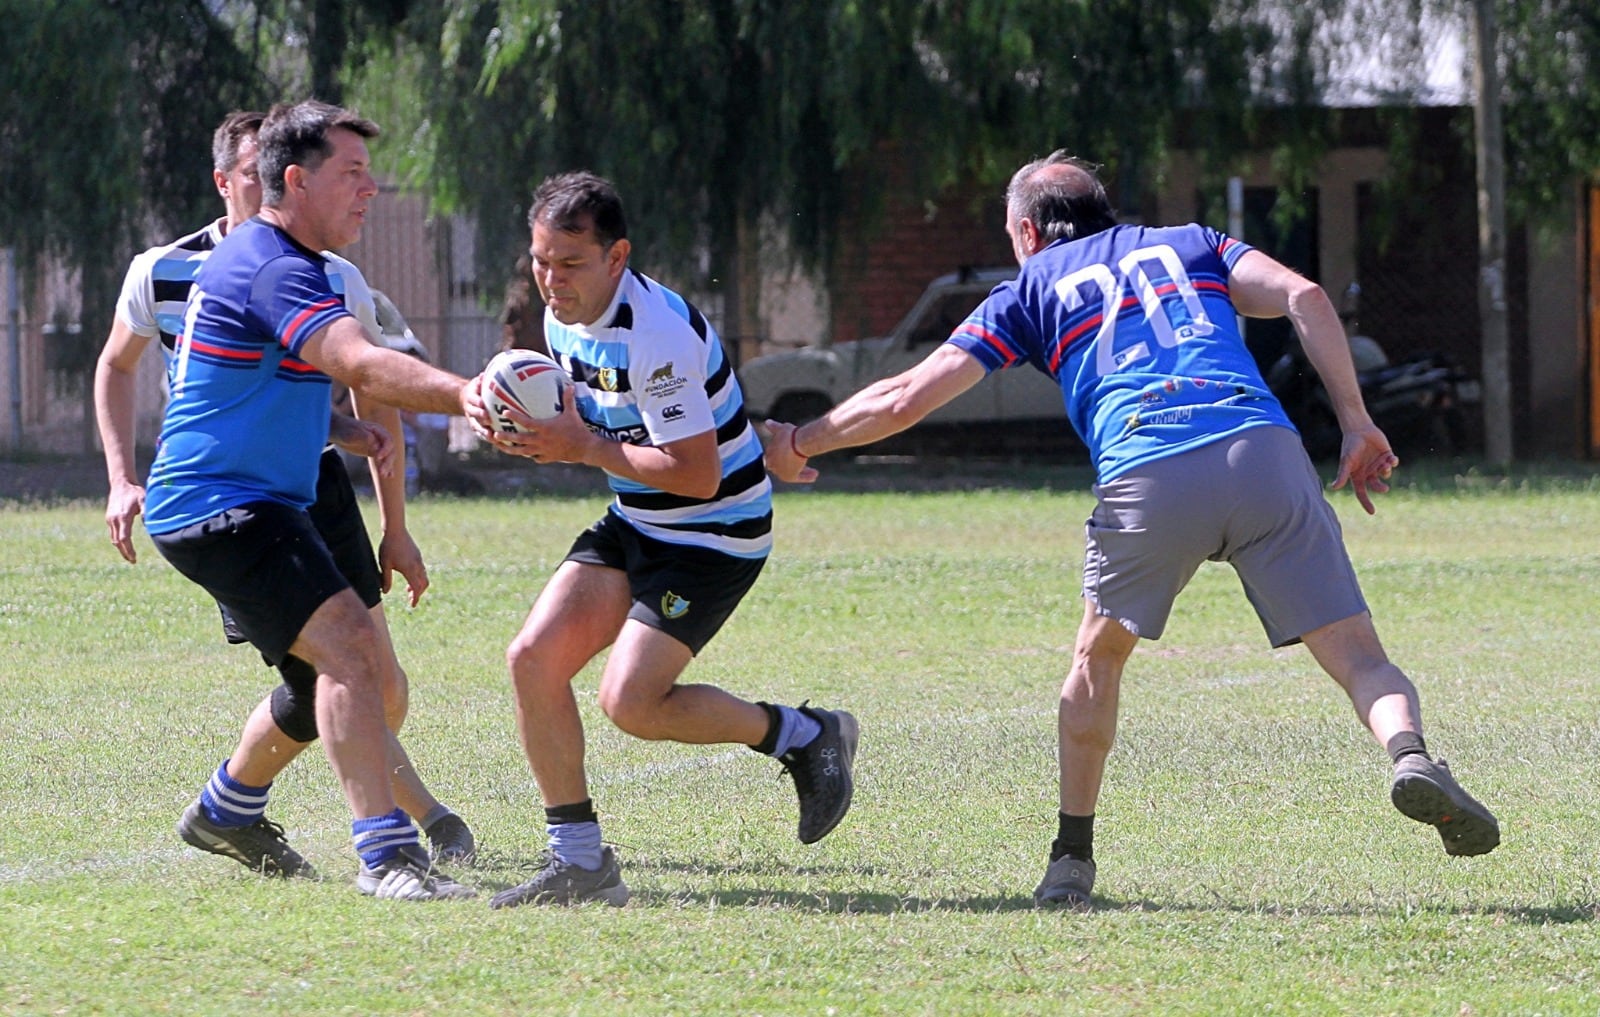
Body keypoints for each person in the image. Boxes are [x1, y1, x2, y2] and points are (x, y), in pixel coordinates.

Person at [762, 151, 1499, 910]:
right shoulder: (1194, 242)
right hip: (1263, 452)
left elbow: (909, 395)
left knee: (1097, 658)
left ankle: (1070, 860)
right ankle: (1410, 755)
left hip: (1150, 467)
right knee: (1358, 656)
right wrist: (1355, 421)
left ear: (1025, 230)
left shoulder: (1030, 287)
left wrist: (800, 441)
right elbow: (1305, 296)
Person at [94, 110, 477, 882]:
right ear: (295, 181)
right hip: (219, 504)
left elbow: (264, 378)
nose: (371, 189)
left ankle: (227, 808)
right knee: (353, 651)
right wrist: (472, 395)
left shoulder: (279, 257)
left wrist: (339, 428)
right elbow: (361, 364)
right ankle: (388, 854)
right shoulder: (271, 265)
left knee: (321, 680)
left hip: (264, 496)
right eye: (352, 174)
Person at [480, 171, 858, 908]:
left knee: (632, 703)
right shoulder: (564, 319)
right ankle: (579, 861)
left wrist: (580, 448)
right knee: (532, 659)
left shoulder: (653, 336)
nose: (550, 281)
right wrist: (507, 418)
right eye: (540, 261)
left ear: (617, 256)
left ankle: (803, 735)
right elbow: (586, 420)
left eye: (570, 263)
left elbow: (693, 472)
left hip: (714, 532)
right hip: (638, 518)